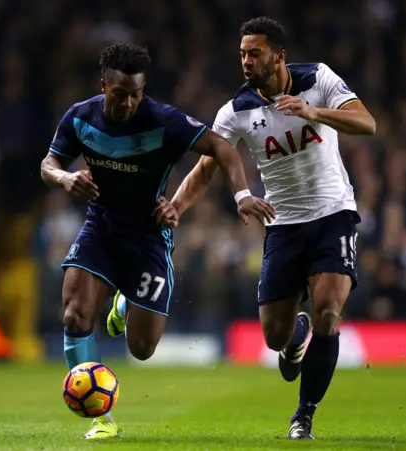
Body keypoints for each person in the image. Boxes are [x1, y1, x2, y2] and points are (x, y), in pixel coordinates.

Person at [150, 17, 376, 440]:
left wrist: (313, 111)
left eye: (254, 52)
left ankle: (303, 416)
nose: (246, 61)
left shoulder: (319, 79)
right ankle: (296, 337)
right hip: (283, 224)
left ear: (279, 56)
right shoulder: (236, 111)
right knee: (274, 336)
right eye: (242, 54)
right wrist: (177, 207)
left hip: (333, 214)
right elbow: (205, 169)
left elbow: (367, 123)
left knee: (329, 311)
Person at [40, 43, 274, 440]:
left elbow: (220, 147)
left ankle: (124, 299)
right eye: (120, 93)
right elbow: (49, 164)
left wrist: (241, 194)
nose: (130, 102)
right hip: (101, 227)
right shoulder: (80, 117)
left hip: (149, 235)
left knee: (143, 348)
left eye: (136, 93)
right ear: (104, 86)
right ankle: (102, 418)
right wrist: (66, 178)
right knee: (75, 315)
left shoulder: (162, 120)